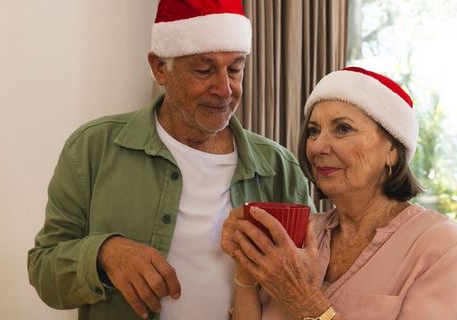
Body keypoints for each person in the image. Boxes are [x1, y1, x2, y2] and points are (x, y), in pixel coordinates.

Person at [27, 1, 314, 319]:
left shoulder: (279, 168)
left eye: (235, 69)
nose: (224, 88)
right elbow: (44, 271)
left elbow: (314, 278)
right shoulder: (92, 148)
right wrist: (104, 253)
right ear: (160, 68)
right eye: (204, 70)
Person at [221, 66, 457, 320]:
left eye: (343, 129)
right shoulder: (303, 234)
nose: (318, 146)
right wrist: (246, 268)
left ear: (392, 150)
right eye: (313, 131)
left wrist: (305, 300)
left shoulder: (441, 246)